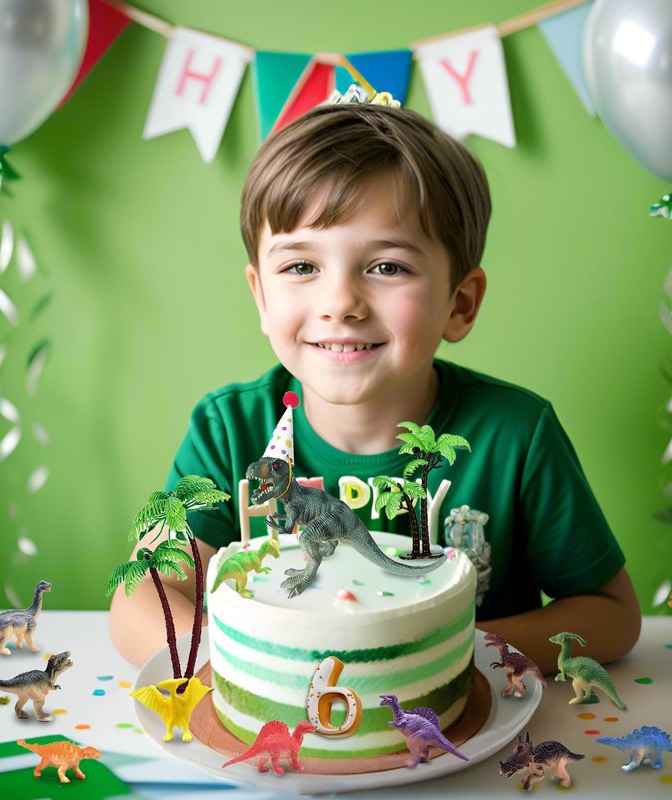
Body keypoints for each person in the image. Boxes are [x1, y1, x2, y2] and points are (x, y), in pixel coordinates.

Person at [110, 98, 640, 673]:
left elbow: (611, 616)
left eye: (387, 267)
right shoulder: (227, 431)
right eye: (301, 267)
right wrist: (261, 673)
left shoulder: (516, 435)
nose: (340, 303)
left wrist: (440, 653)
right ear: (261, 295)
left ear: (460, 303)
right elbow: (140, 599)